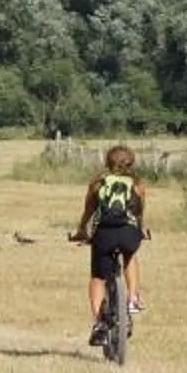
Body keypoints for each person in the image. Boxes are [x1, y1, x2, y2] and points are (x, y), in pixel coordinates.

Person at [68, 144, 145, 352]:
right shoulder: (137, 184)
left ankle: (99, 322)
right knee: (130, 256)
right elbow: (139, 212)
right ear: (131, 163)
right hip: (128, 233)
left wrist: (81, 231)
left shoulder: (97, 183)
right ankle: (132, 299)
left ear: (107, 162)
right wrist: (141, 230)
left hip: (104, 234)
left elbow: (89, 211)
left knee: (98, 277)